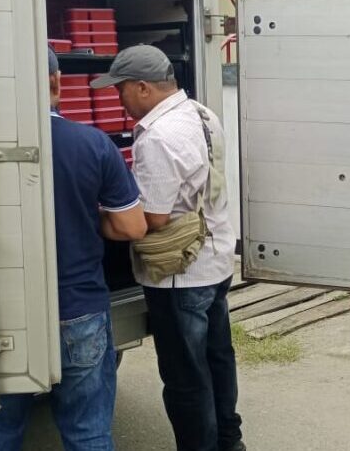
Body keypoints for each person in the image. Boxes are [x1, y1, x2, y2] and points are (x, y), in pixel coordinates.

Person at [0, 47, 147, 450]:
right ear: (56, 82)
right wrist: (85, 216)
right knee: (88, 434)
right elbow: (132, 226)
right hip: (78, 309)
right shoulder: (92, 144)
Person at [90, 46, 244, 451]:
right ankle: (229, 441)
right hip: (214, 259)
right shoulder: (202, 114)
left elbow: (152, 218)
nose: (118, 99)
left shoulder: (158, 136)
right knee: (217, 359)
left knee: (185, 378)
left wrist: (98, 216)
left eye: (120, 89)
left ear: (143, 87)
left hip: (180, 275)